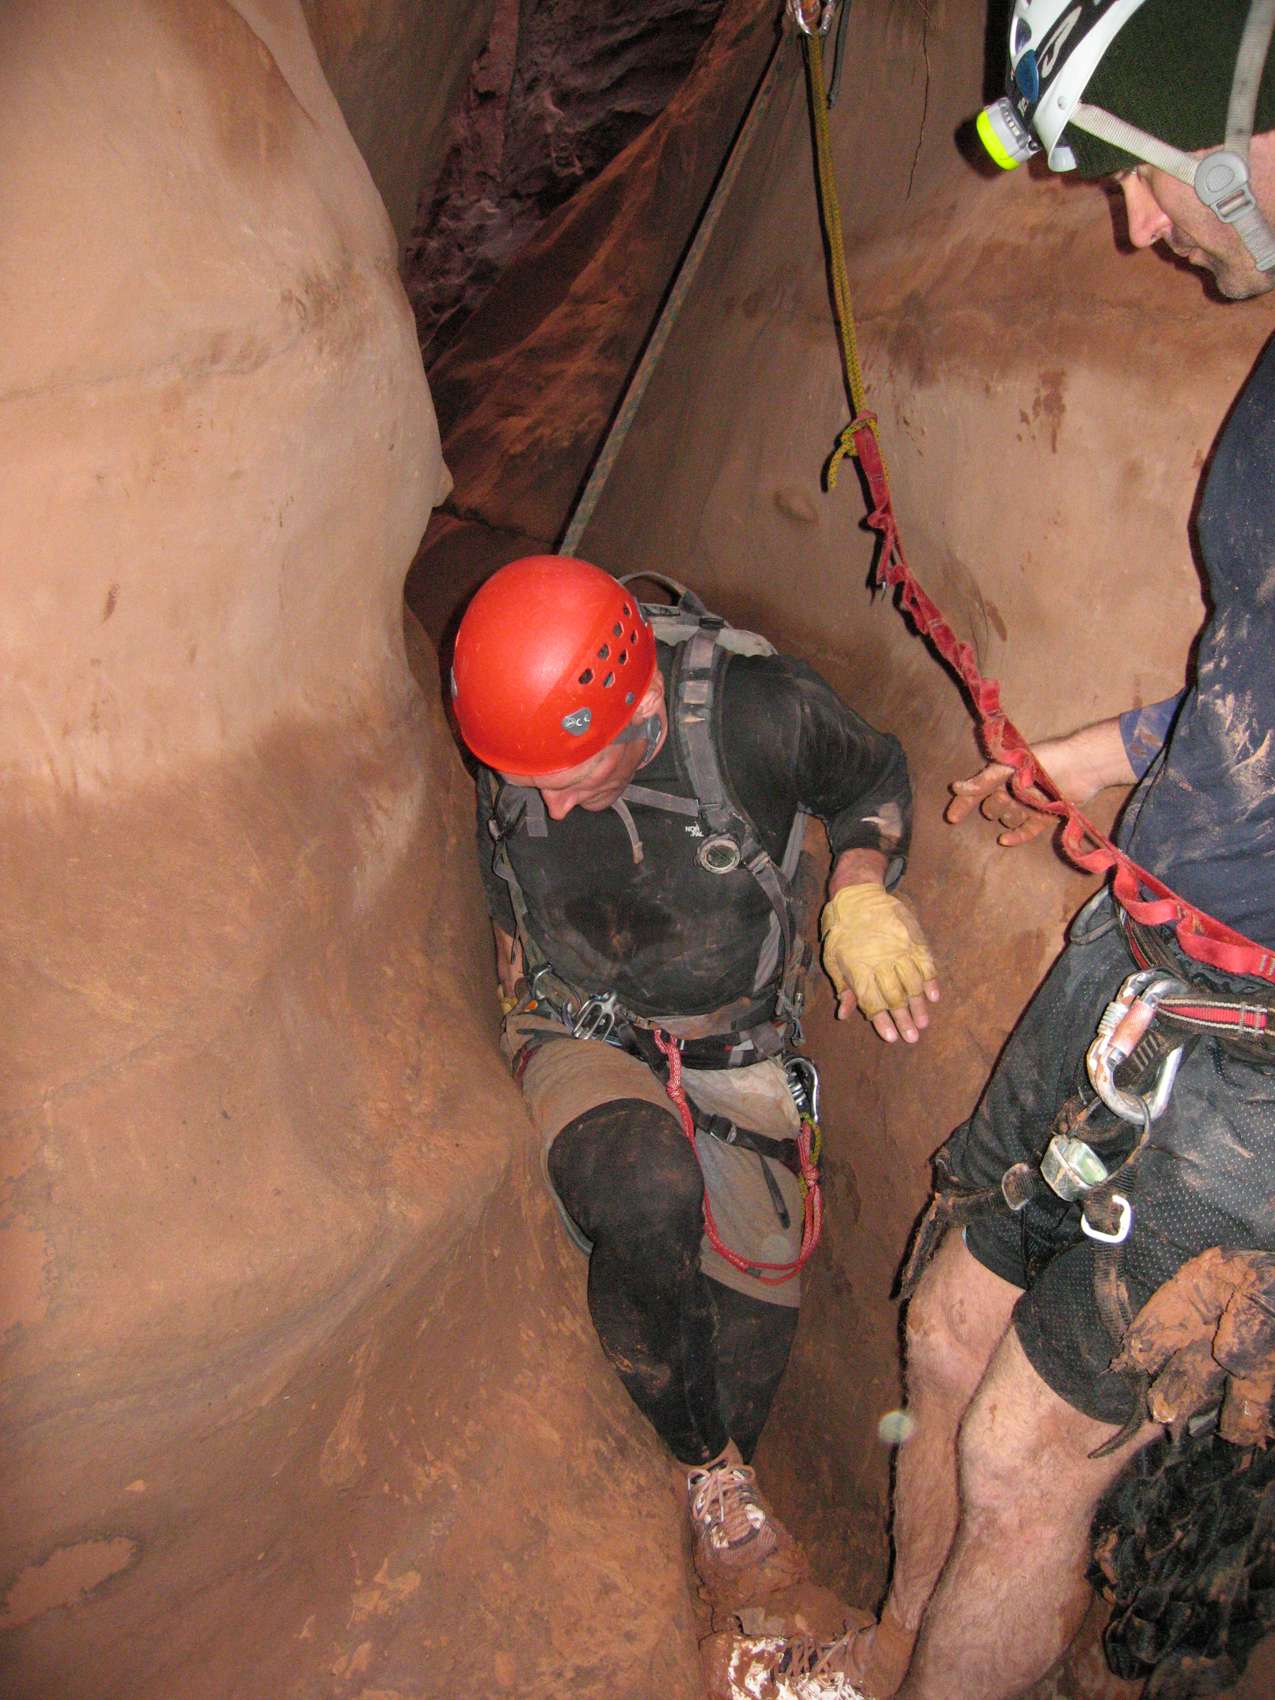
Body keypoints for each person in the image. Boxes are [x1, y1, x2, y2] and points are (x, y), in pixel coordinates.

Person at [713, 2, 1275, 1696]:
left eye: (1144, 176)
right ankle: (897, 1646)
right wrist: (1101, 754)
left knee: (1029, 1460)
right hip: (1144, 949)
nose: (1135, 223)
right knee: (948, 1325)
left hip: (1254, 1062)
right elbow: (1252, 661)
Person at [449, 552, 938, 1608]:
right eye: (531, 783)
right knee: (643, 1187)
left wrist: (861, 890)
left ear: (642, 709)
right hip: (574, 1024)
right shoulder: (526, 743)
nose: (556, 810)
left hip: (734, 1048)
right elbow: (503, 859)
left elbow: (873, 778)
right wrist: (502, 958)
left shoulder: (759, 710)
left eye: (573, 777)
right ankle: (707, 1470)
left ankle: (730, 1450)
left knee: (752, 1340)